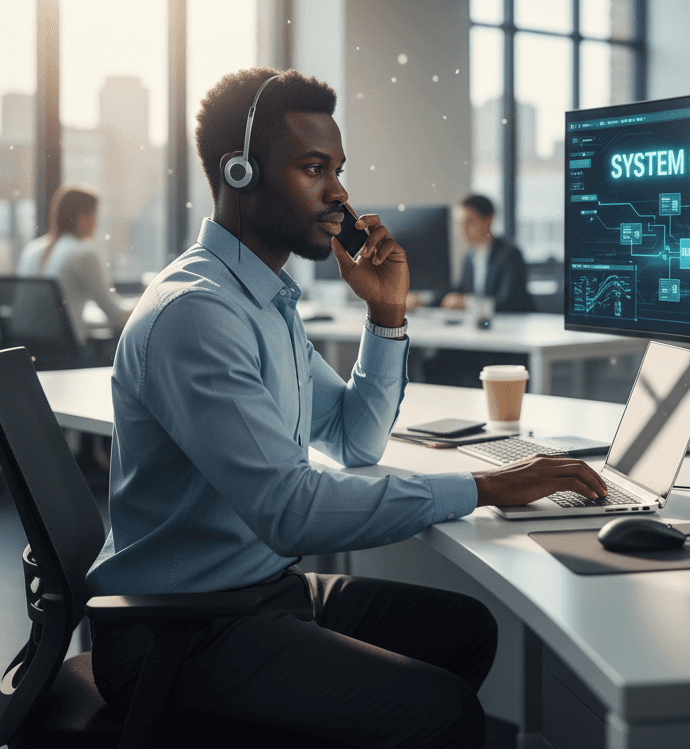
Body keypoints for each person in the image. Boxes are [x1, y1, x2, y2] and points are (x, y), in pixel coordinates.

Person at [85, 68, 606, 748]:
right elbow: (289, 511)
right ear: (240, 172)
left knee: (465, 630)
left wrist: (386, 314)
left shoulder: (262, 301)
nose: (339, 192)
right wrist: (484, 486)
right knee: (442, 711)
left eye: (338, 170)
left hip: (254, 592)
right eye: (313, 169)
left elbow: (353, 440)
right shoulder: (198, 313)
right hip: (180, 630)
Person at [16, 184, 134, 345]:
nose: (97, 222)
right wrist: (146, 301)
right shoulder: (84, 253)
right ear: (84, 216)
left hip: (25, 348)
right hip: (65, 350)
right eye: (94, 215)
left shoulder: (32, 249)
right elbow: (117, 317)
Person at [441, 194, 535, 313]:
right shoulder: (469, 257)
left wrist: (467, 303)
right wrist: (426, 300)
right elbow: (459, 291)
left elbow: (509, 302)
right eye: (458, 223)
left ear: (488, 220)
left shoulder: (510, 255)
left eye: (469, 222)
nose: (462, 229)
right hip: (484, 321)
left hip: (512, 321)